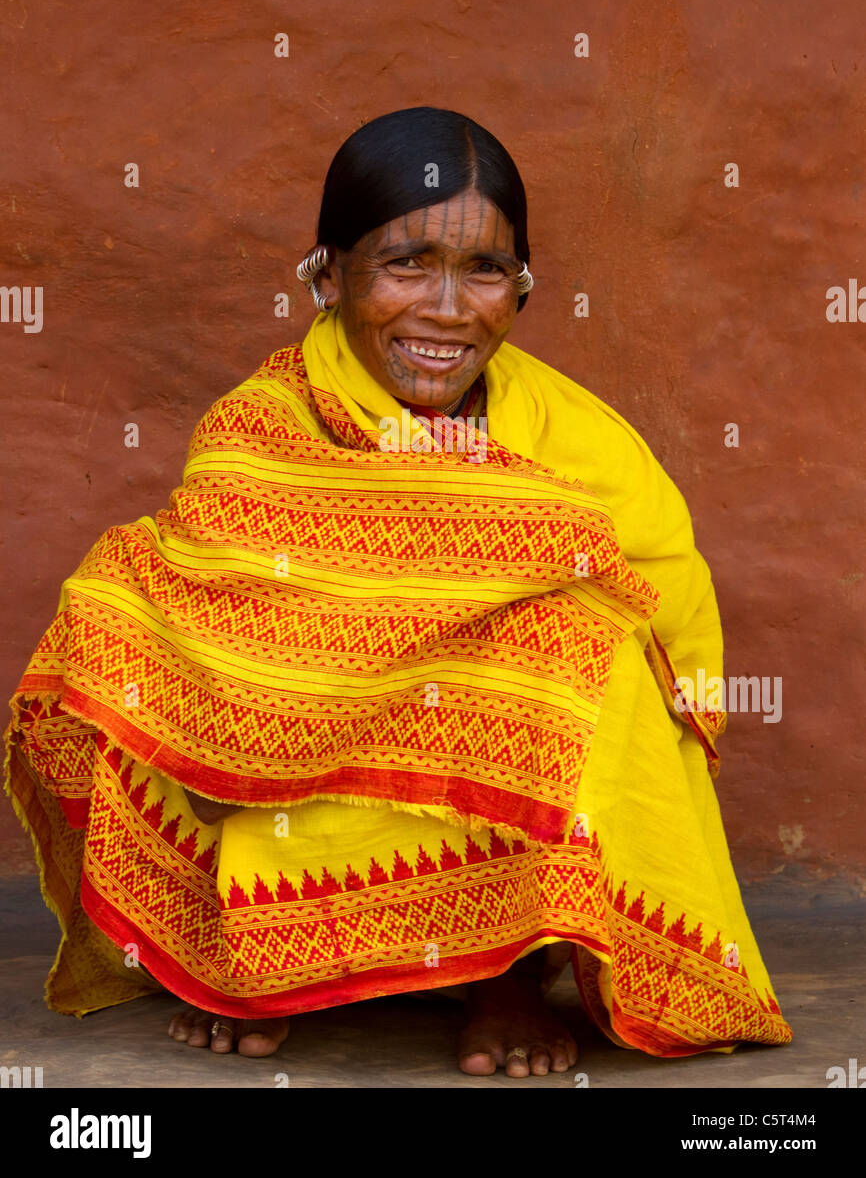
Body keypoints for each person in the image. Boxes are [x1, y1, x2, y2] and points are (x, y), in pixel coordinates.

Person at [5, 106, 792, 1078]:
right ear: (329, 277)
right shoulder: (262, 424)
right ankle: (251, 959)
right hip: (308, 751)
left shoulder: (584, 448)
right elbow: (208, 604)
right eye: (406, 263)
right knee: (130, 607)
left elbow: (677, 646)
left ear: (524, 288)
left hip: (484, 763)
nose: (448, 309)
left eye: (484, 271)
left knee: (583, 642)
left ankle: (509, 970)